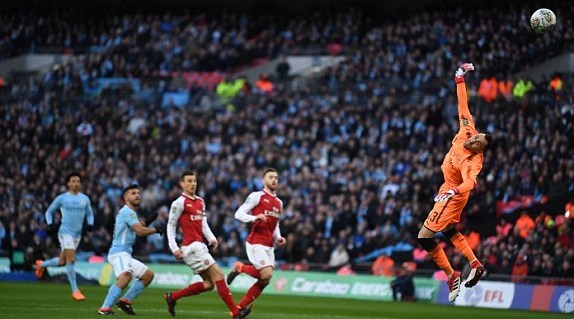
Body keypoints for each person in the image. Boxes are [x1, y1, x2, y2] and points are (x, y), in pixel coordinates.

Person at [417, 63, 490, 303]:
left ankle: (451, 275)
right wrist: (459, 77)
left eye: (479, 143)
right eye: (478, 136)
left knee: (424, 238)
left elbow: (471, 183)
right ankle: (474, 262)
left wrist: (452, 191)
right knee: (448, 230)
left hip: (453, 194)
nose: (475, 139)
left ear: (480, 151)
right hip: (446, 189)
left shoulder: (473, 162)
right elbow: (462, 105)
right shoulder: (467, 130)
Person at [163, 171, 251, 319]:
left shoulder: (200, 201)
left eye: (194, 181)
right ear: (182, 184)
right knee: (220, 275)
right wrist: (174, 247)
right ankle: (235, 313)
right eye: (189, 181)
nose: (192, 184)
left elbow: (203, 223)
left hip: (200, 246)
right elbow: (170, 225)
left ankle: (173, 297)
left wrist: (211, 238)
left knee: (209, 284)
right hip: (191, 247)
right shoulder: (179, 203)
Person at [97, 183, 163, 315]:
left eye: (138, 193)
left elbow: (138, 226)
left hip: (125, 254)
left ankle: (125, 301)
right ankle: (104, 308)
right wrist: (156, 230)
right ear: (126, 198)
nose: (137, 195)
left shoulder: (129, 213)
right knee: (125, 276)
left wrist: (148, 221)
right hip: (118, 253)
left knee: (147, 275)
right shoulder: (128, 211)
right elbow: (139, 231)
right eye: (133, 193)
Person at [226, 167, 286, 310]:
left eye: (276, 178)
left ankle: (238, 309)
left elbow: (275, 223)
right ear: (263, 180)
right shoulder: (256, 196)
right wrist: (254, 218)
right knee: (266, 274)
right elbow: (238, 214)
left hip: (269, 245)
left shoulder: (279, 203)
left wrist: (278, 237)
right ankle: (240, 267)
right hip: (255, 242)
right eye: (271, 177)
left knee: (265, 280)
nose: (274, 180)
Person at [35, 172, 94, 301]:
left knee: (62, 262)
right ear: (68, 183)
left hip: (77, 235)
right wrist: (49, 223)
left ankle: (41, 265)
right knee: (71, 260)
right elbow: (49, 212)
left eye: (78, 181)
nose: (76, 183)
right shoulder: (62, 198)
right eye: (73, 181)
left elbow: (90, 214)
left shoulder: (85, 199)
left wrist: (90, 223)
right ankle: (75, 290)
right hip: (65, 233)